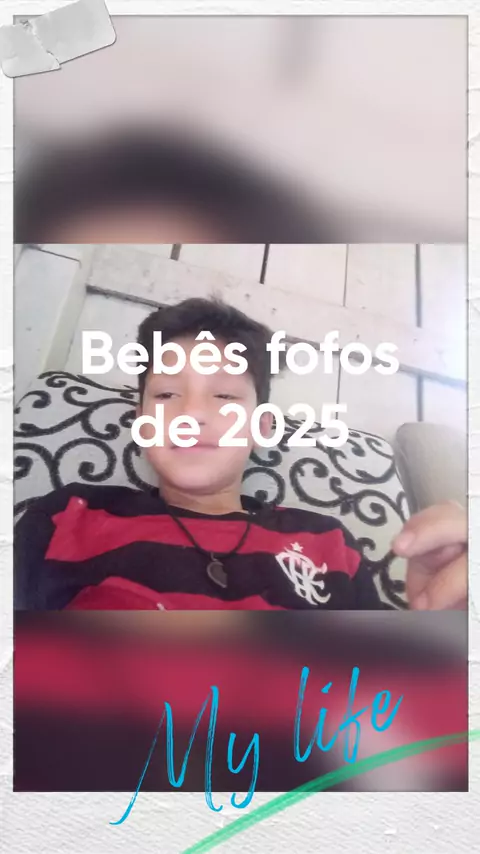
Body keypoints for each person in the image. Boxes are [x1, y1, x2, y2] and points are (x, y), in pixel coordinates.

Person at [14, 298, 467, 611]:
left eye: (225, 397)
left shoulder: (327, 543)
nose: (192, 413)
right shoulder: (70, 517)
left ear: (261, 427)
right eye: (167, 394)